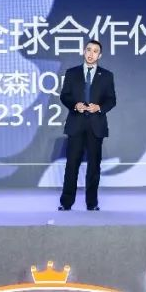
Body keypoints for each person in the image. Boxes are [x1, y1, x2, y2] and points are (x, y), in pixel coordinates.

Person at [58, 40, 117, 211]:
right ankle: (66, 202)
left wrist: (99, 107)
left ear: (100, 55)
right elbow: (65, 95)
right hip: (76, 123)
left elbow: (111, 99)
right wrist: (75, 105)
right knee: (72, 165)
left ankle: (92, 203)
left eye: (95, 51)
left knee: (94, 167)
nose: (91, 54)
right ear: (84, 52)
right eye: (89, 50)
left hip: (96, 125)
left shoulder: (107, 75)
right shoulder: (72, 73)